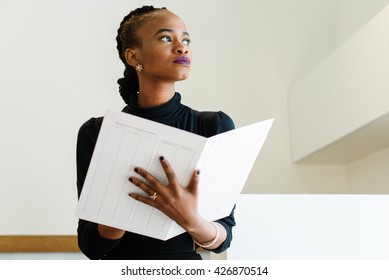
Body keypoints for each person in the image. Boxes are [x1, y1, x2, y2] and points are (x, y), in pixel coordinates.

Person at [76, 5, 236, 260]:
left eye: (186, 40)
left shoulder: (214, 126)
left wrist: (191, 219)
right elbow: (90, 246)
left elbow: (223, 238)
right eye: (166, 38)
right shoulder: (97, 132)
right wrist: (123, 209)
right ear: (133, 56)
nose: (182, 47)